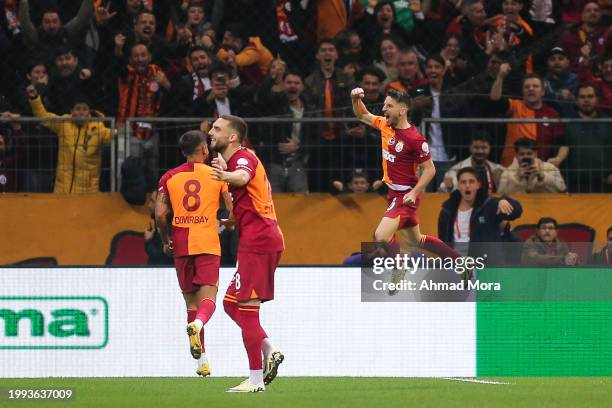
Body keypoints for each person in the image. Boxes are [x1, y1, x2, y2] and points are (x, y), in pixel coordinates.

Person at [351, 87, 463, 280]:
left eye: (389, 106)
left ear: (402, 111)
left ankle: (400, 266)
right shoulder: (385, 125)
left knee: (380, 236)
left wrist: (414, 193)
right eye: (385, 105)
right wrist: (354, 99)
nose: (384, 109)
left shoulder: (415, 139)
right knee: (417, 240)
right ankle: (460, 262)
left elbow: (430, 170)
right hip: (393, 193)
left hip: (406, 196)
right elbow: (362, 115)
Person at [208, 115, 285, 392]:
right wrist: (233, 219)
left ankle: (255, 381)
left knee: (248, 311)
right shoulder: (235, 159)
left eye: (217, 128)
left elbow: (242, 176)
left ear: (232, 137)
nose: (210, 131)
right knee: (231, 303)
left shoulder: (243, 158)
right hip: (257, 238)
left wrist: (226, 175)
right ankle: (270, 350)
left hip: (259, 241)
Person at [155, 130, 231, 378]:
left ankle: (202, 364)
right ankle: (197, 325)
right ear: (204, 150)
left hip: (181, 244)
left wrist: (166, 240)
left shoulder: (169, 177)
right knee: (208, 301)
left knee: (191, 303)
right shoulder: (217, 174)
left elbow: (159, 215)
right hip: (207, 242)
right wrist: (231, 221)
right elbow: (233, 207)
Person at [26, 85, 111, 193]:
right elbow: (43, 117)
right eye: (78, 109)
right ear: (71, 111)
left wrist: (121, 130)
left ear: (89, 111)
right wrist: (35, 99)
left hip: (88, 190)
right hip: (63, 189)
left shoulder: (98, 128)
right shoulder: (64, 123)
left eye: (85, 109)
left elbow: (112, 136)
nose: (81, 112)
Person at [490, 64, 569, 167]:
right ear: (522, 91)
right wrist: (500, 77)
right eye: (527, 87)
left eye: (535, 86)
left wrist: (558, 159)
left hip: (540, 172)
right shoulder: (515, 106)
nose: (531, 89)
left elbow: (563, 142)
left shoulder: (552, 114)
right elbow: (495, 99)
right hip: (512, 171)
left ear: (543, 92)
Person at [438, 167, 522, 263]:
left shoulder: (489, 206)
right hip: (454, 265)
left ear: (478, 185)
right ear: (458, 186)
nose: (467, 186)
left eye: (471, 182)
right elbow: (442, 242)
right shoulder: (447, 211)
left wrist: (505, 200)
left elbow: (517, 211)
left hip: (482, 266)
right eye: (463, 182)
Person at [440, 132, 505, 193]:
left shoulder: (498, 169)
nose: (480, 151)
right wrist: (450, 188)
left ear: (489, 148)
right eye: (476, 147)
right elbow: (443, 188)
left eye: (484, 148)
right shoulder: (457, 170)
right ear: (470, 148)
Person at [498, 137, 567, 193]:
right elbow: (501, 195)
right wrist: (517, 178)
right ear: (516, 155)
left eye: (529, 153)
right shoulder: (507, 172)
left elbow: (562, 188)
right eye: (522, 154)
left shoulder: (550, 167)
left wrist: (543, 176)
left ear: (535, 153)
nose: (526, 157)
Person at [144, 190, 173, 266]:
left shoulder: (171, 226)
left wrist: (148, 241)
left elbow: (163, 258)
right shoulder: (158, 223)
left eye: (152, 202)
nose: (149, 206)